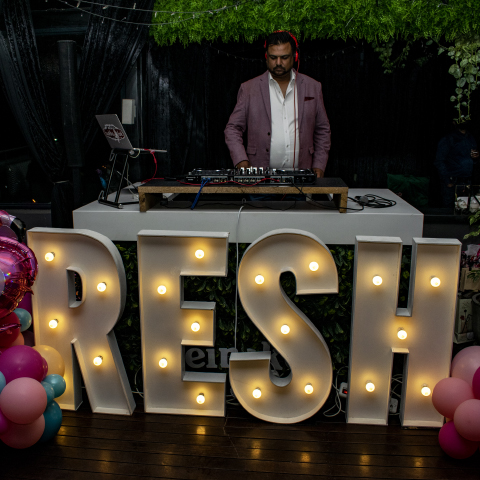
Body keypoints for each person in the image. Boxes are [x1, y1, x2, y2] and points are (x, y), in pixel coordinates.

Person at [224, 31, 331, 178]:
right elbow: (232, 128)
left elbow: (323, 130)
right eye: (273, 57)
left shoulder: (313, 87)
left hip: (302, 177)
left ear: (295, 56)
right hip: (260, 178)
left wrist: (319, 164)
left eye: (284, 57)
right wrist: (241, 160)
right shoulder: (249, 89)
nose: (278, 63)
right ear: (266, 57)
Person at [435, 121, 479, 207]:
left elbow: (472, 158)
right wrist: (447, 181)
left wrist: (476, 157)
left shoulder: (470, 137)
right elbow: (439, 161)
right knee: (450, 209)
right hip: (453, 181)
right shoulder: (448, 138)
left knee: (464, 209)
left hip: (466, 181)